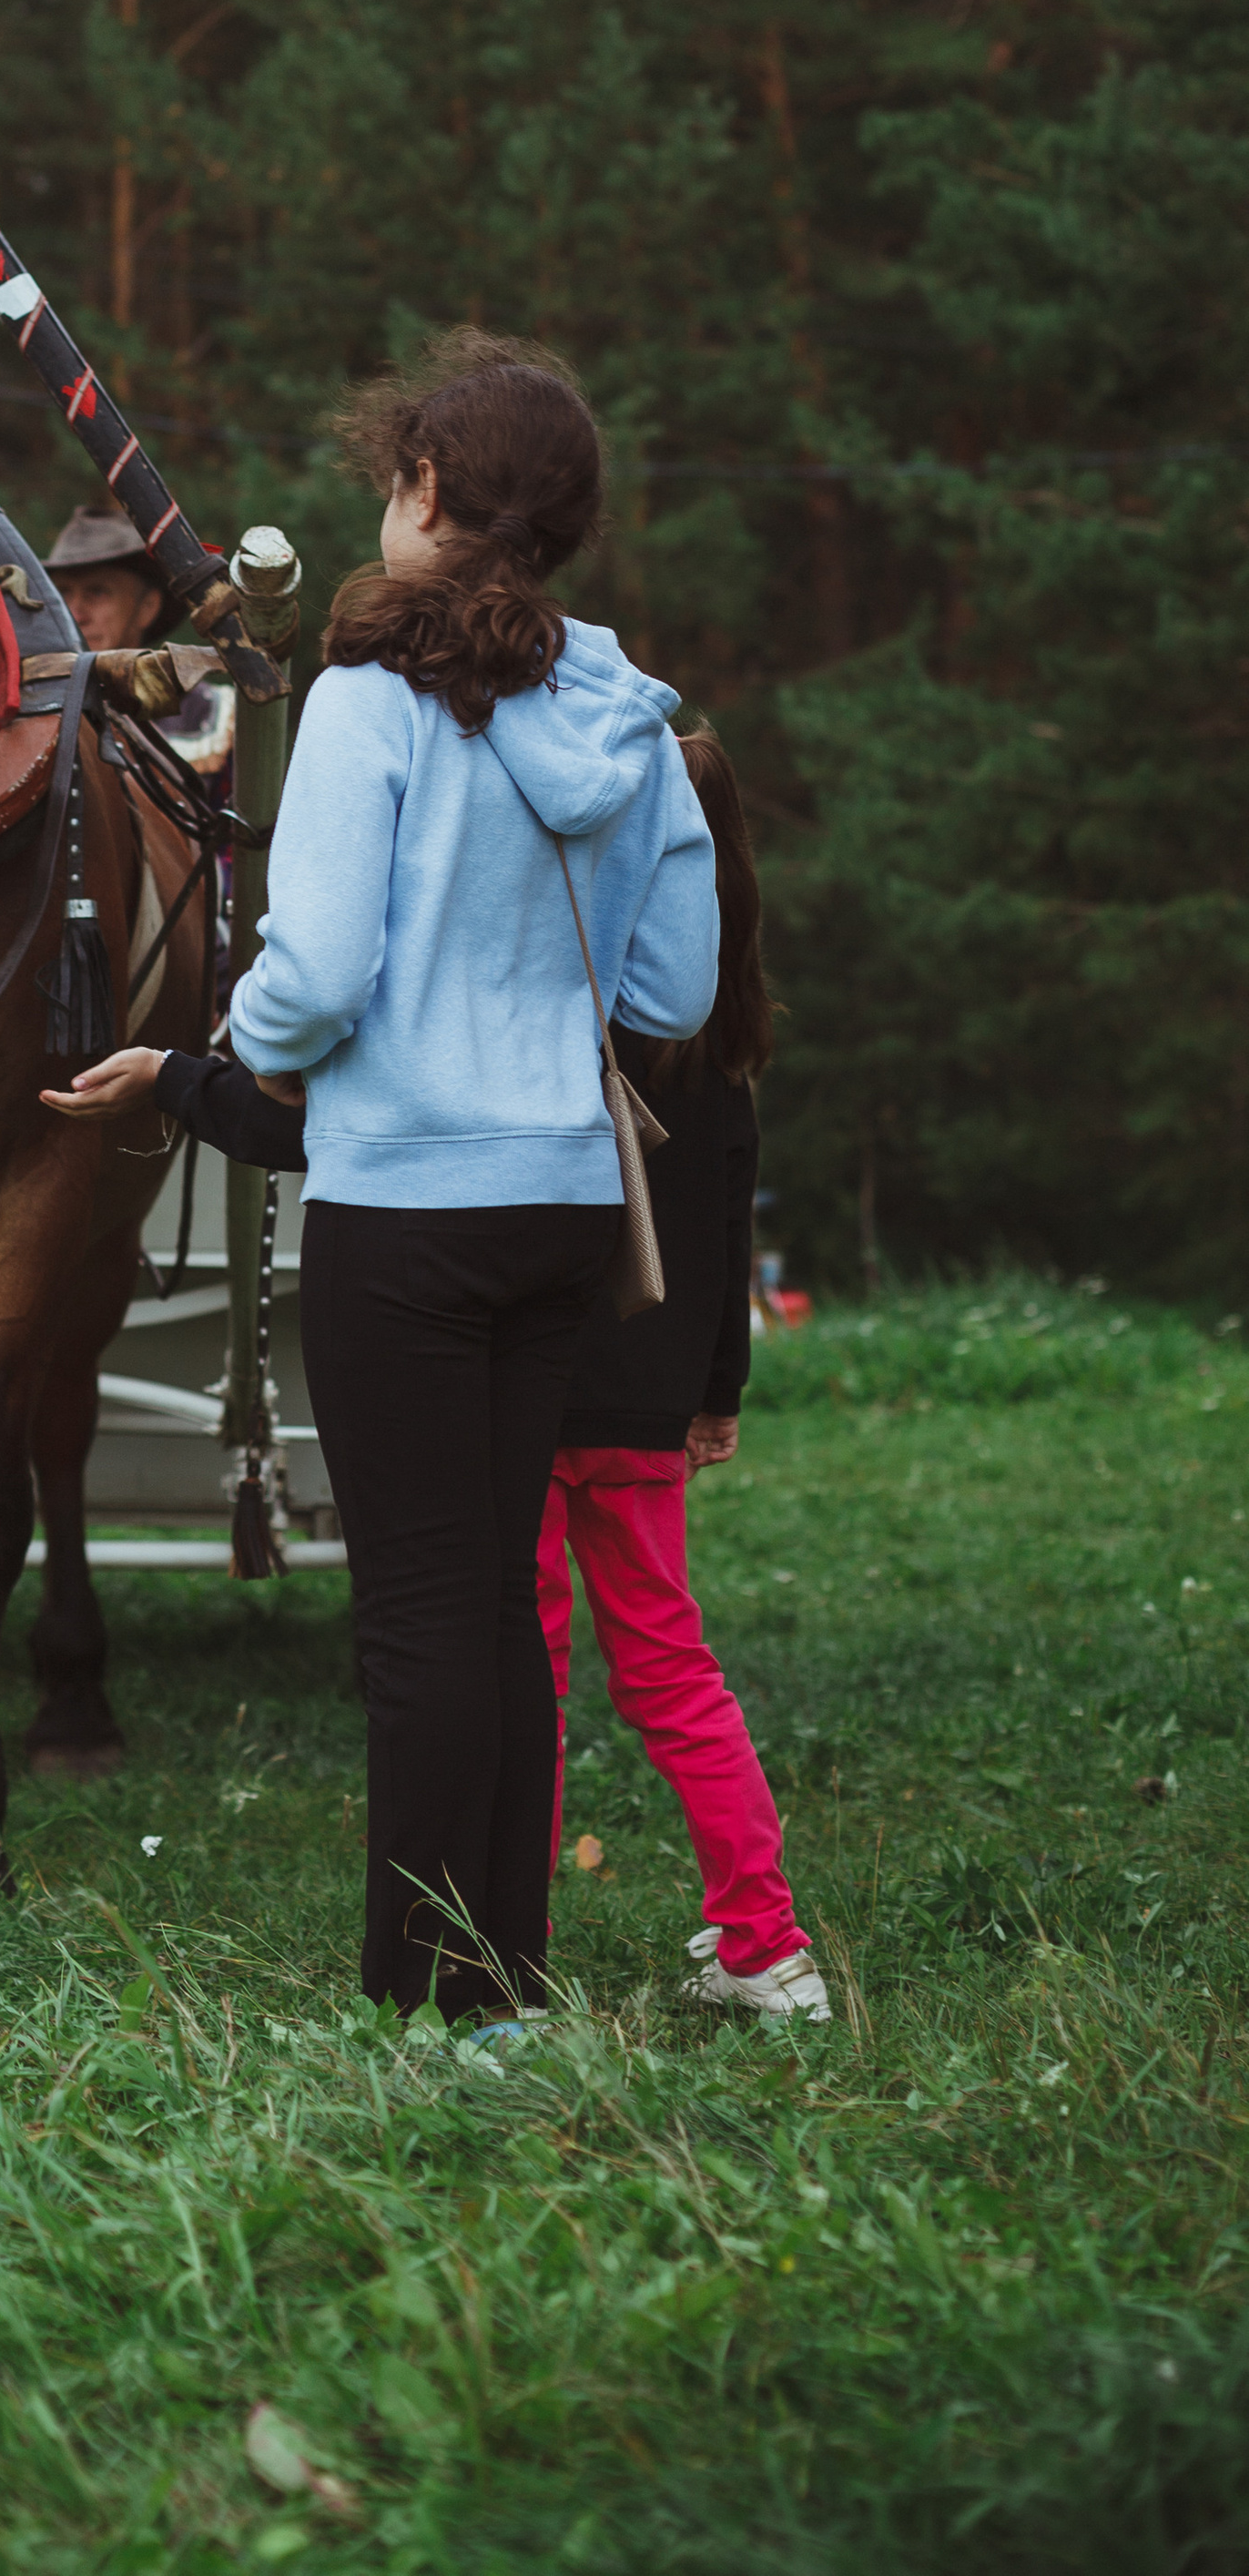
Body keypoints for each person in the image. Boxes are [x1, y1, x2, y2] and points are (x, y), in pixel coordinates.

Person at [45, 331, 718, 2030]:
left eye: (392, 472)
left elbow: (320, 972)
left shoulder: (364, 705)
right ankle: (505, 1994)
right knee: (498, 1600)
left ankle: (424, 2009)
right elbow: (673, 995)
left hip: (405, 1221)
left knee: (419, 1621)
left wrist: (246, 1032)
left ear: (427, 492)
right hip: (565, 1204)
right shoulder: (625, 714)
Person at [543, 725, 831, 2021]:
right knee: (669, 1665)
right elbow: (723, 1232)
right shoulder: (724, 1036)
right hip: (649, 1403)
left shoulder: (564, 995)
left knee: (524, 1667)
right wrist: (719, 1394)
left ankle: (508, 1944)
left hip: (533, 1384)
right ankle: (765, 1946)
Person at [46, 505, 232, 780]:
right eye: (63, 593)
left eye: (97, 592)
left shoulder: (206, 715)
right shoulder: (31, 706)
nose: (75, 613)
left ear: (147, 607)